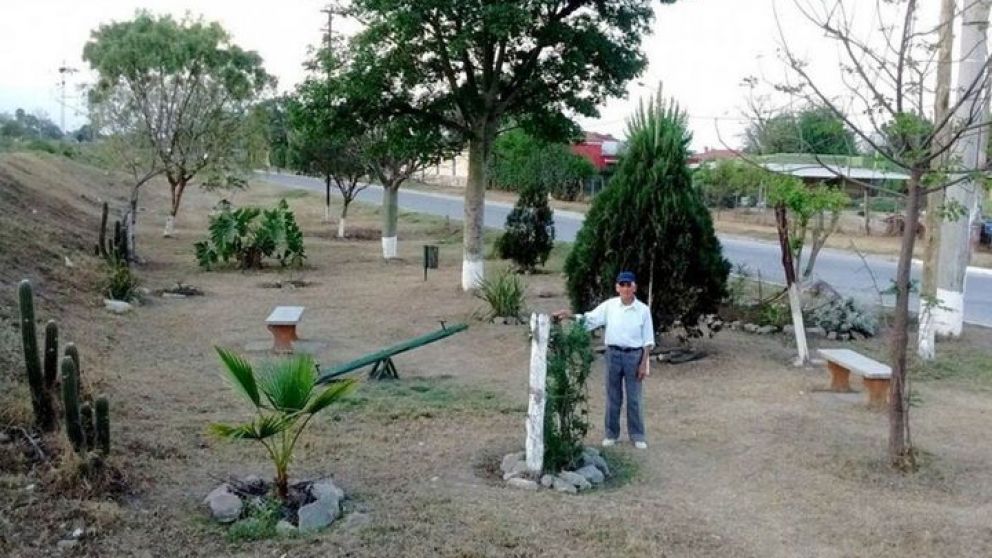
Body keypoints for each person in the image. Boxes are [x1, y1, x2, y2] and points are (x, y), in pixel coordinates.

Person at [553, 271, 654, 449]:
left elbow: (648, 341)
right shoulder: (609, 306)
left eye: (629, 285)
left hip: (634, 356)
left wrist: (643, 364)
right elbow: (590, 320)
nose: (625, 288)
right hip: (613, 354)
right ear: (617, 287)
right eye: (622, 285)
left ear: (635, 287)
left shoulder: (643, 310)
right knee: (613, 396)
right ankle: (611, 434)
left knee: (634, 398)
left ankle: (637, 435)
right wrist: (569, 316)